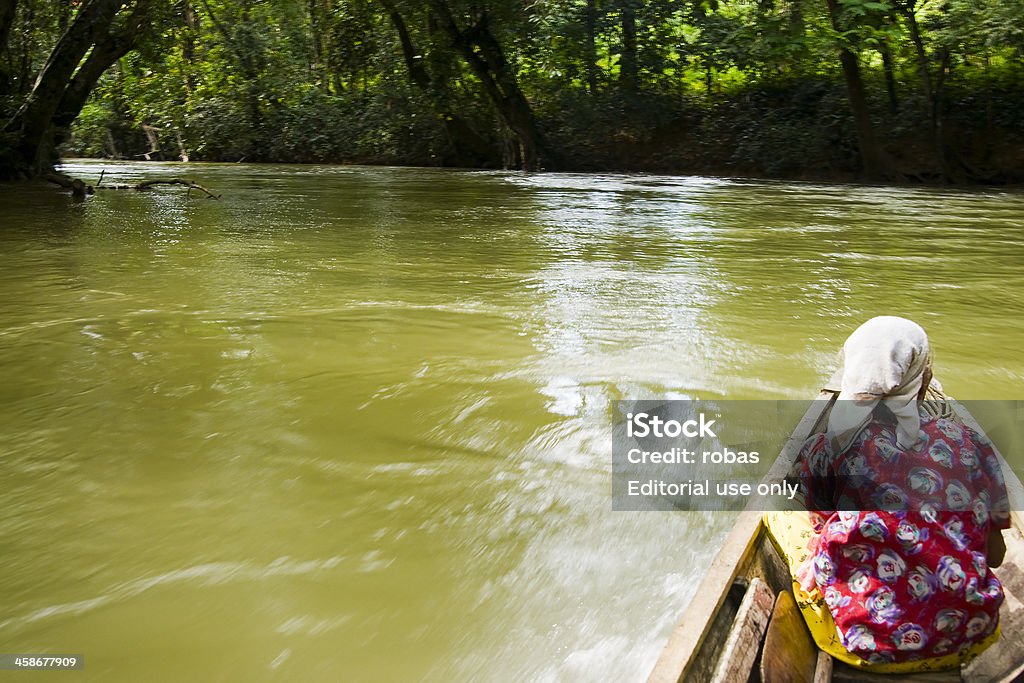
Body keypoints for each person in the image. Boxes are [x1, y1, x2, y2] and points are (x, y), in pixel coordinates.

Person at [770, 316, 1010, 673]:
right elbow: (995, 555)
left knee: (778, 512)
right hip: (969, 634)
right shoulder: (968, 443)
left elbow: (819, 520)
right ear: (924, 379)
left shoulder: (829, 449)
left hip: (867, 646)